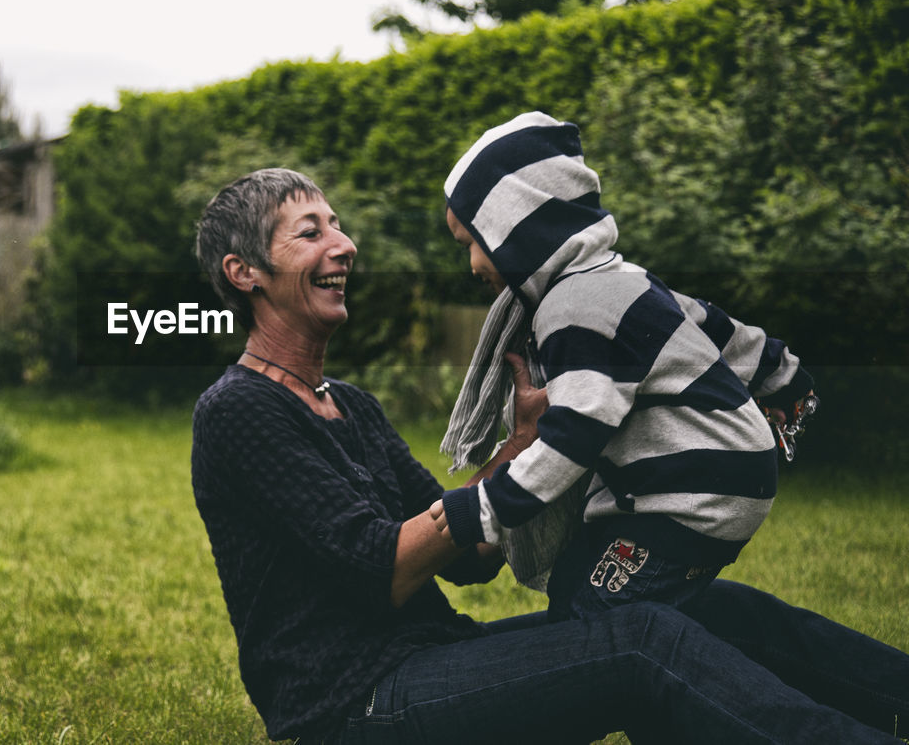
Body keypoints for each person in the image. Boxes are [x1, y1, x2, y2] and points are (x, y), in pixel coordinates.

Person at [189, 167, 908, 744]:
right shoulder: (240, 410)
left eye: (338, 226)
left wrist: (521, 444)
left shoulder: (350, 403)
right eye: (310, 232)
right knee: (640, 641)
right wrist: (497, 491)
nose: (342, 245)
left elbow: (470, 561)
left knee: (706, 607)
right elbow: (378, 571)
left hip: (432, 658)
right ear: (245, 271)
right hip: (350, 706)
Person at [433, 111, 817, 620]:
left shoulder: (571, 309)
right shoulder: (620, 278)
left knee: (589, 619)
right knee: (583, 577)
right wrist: (784, 376)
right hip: (729, 478)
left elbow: (572, 436)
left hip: (685, 498)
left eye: (472, 245)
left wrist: (485, 508)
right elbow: (713, 326)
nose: (473, 266)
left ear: (516, 228)